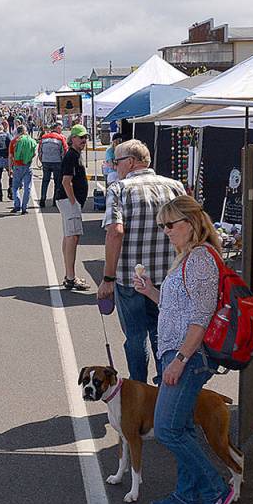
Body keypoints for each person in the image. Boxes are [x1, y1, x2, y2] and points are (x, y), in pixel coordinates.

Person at [133, 195, 235, 504]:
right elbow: (179, 310)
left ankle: (216, 489)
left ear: (190, 224)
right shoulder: (188, 257)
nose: (165, 231)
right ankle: (188, 495)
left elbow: (200, 319)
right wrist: (150, 291)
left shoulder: (201, 259)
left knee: (166, 429)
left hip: (188, 357)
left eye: (170, 225)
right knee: (182, 427)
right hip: (179, 354)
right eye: (162, 225)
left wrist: (178, 360)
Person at [97, 139, 185, 384]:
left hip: (130, 278)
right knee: (163, 333)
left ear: (132, 162)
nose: (115, 167)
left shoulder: (120, 189)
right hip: (168, 276)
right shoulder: (175, 186)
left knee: (135, 336)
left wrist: (107, 278)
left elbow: (115, 231)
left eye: (117, 162)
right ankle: (163, 386)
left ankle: (138, 387)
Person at [57, 125, 90, 290]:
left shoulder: (75, 155)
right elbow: (66, 181)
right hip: (69, 201)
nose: (84, 140)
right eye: (81, 137)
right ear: (73, 139)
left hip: (68, 201)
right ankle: (70, 277)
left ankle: (69, 275)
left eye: (85, 137)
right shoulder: (71, 155)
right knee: (73, 237)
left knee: (69, 236)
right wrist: (73, 202)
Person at [38, 121, 67, 208]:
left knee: (45, 181)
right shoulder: (61, 138)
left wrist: (42, 161)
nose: (61, 129)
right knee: (57, 182)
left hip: (46, 161)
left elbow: (39, 151)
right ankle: (55, 200)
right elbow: (65, 151)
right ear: (56, 128)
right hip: (57, 162)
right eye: (60, 128)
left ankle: (42, 200)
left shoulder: (44, 137)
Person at [10, 125, 37, 215]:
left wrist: (10, 168)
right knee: (27, 187)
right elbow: (34, 154)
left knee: (15, 187)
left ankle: (17, 204)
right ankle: (24, 207)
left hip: (17, 166)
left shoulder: (14, 141)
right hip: (27, 165)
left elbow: (10, 156)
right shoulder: (30, 140)